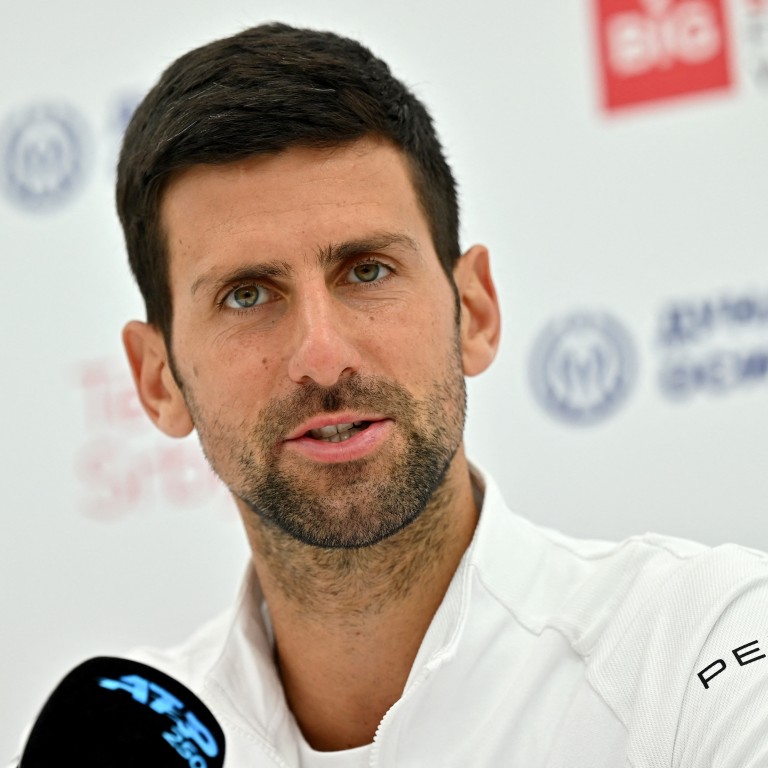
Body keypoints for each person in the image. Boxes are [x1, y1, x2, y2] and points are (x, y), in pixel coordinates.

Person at [15, 22, 768, 767]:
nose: (321, 356)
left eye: (367, 271)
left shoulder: (698, 649)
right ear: (158, 380)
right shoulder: (132, 748)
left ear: (473, 310)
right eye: (247, 296)